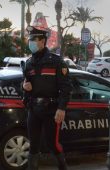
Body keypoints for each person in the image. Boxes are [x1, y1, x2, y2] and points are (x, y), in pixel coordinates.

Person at [22, 26, 72, 170]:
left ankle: (63, 167)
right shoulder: (29, 63)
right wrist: (24, 87)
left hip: (51, 110)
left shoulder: (56, 62)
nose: (30, 42)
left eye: (33, 39)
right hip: (33, 109)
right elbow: (25, 84)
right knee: (33, 145)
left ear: (43, 41)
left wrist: (61, 108)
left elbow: (66, 87)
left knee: (52, 144)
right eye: (29, 39)